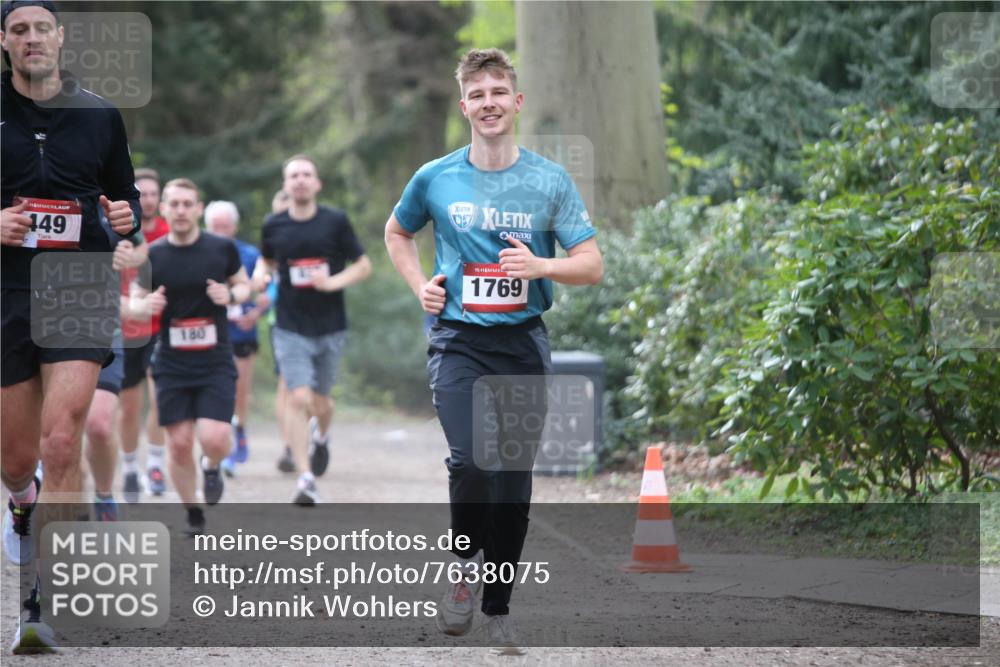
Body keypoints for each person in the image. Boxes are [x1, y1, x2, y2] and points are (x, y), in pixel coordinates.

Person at [384, 48, 603, 654]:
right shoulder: (435, 176)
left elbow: (591, 264)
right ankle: (461, 568)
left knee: (511, 483)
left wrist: (541, 265)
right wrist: (418, 285)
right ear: (464, 107)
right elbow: (397, 231)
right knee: (472, 463)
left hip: (522, 344)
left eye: (498, 92)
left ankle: (498, 606)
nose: (489, 103)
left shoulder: (549, 180)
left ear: (516, 101)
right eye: (477, 95)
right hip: (458, 341)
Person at [0, 0, 143, 653]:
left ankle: (39, 603)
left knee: (63, 442)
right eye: (19, 30)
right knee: (17, 457)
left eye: (42, 28)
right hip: (6, 292)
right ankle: (19, 498)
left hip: (78, 288)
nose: (33, 39)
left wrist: (125, 220)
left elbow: (126, 201)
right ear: (5, 42)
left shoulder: (98, 115)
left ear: (60, 37)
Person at [253, 156, 372, 505]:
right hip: (289, 325)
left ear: (317, 183)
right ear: (286, 185)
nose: (300, 181)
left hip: (330, 325)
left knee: (322, 401)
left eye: (306, 175)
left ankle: (321, 436)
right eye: (294, 176)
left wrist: (332, 282)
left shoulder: (334, 221)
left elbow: (363, 266)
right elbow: (268, 260)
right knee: (298, 397)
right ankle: (305, 478)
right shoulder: (273, 224)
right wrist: (261, 275)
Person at [133, 178, 249, 535]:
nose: (181, 210)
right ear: (164, 209)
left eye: (188, 204)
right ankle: (192, 512)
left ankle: (211, 466)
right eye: (174, 204)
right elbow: (135, 300)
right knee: (179, 442)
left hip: (214, 359)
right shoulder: (152, 254)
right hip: (170, 360)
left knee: (215, 439)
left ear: (199, 209)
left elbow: (244, 285)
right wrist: (145, 305)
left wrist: (229, 296)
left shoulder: (220, 248)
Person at [85, 215, 149, 521]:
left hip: (104, 331)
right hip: (44, 327)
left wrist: (129, 259)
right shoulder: (32, 189)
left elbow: (141, 247)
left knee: (98, 424)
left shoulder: (109, 201)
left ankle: (104, 493)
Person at [204, 200, 268, 476]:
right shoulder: (196, 252)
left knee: (239, 390)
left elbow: (266, 288)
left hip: (241, 332)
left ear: (235, 227)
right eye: (215, 226)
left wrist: (257, 310)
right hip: (207, 333)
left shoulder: (250, 254)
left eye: (225, 226)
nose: (220, 231)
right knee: (214, 392)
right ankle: (220, 447)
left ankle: (239, 428)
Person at [118, 167, 170, 502]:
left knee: (162, 396)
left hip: (164, 326)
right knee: (130, 406)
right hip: (128, 327)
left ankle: (154, 462)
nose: (148, 200)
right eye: (143, 194)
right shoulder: (120, 230)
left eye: (153, 194)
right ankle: (128, 467)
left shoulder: (173, 230)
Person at [266, 189, 297, 474]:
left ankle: (303, 439)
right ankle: (290, 445)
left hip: (317, 322)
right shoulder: (273, 239)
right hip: (282, 320)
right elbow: (264, 278)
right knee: (288, 384)